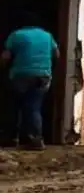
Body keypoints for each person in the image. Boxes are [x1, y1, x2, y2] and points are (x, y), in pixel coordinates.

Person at [1, 14, 58, 151]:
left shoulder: (16, 35)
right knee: (34, 107)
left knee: (14, 106)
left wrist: (3, 69)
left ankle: (12, 138)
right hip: (43, 76)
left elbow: (5, 57)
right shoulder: (47, 35)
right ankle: (35, 139)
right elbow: (57, 54)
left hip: (21, 75)